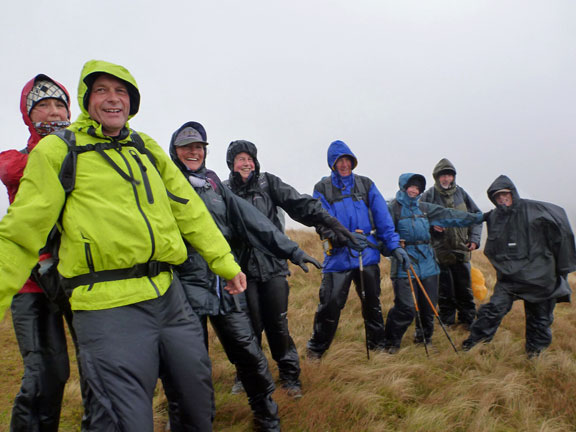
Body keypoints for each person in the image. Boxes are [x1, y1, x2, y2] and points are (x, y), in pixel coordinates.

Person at [0, 60, 246, 432]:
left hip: (168, 297)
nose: (113, 99)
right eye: (102, 91)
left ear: (132, 101)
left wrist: (224, 262)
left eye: (121, 92)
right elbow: (22, 232)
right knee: (124, 421)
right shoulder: (58, 150)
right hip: (105, 304)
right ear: (86, 100)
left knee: (197, 406)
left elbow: (189, 210)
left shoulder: (144, 146)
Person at [169, 122, 322, 431]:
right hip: (185, 289)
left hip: (226, 283)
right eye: (187, 148)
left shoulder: (212, 184)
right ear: (175, 152)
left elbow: (253, 220)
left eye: (199, 147)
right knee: (190, 364)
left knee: (251, 352)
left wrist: (290, 250)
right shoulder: (165, 184)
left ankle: (268, 419)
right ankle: (195, 421)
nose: (194, 152)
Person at [224, 139, 353, 398]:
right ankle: (246, 376)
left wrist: (329, 221)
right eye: (240, 159)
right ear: (231, 163)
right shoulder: (224, 190)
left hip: (273, 267)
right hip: (240, 271)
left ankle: (290, 376)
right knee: (247, 328)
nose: (246, 163)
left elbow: (300, 204)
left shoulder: (268, 183)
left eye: (249, 158)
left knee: (277, 325)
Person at [0, 74, 73, 431]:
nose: (53, 111)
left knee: (66, 371)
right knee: (43, 371)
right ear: (29, 115)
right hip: (32, 282)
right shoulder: (20, 160)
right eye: (43, 105)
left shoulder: (81, 152)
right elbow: (9, 169)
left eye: (60, 104)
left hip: (74, 276)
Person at [305, 140, 410, 359]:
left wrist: (393, 247)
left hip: (367, 255)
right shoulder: (322, 188)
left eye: (347, 160)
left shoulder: (366, 184)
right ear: (332, 164)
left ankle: (377, 346)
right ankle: (316, 351)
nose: (344, 164)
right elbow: (322, 223)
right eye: (339, 161)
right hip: (338, 258)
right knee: (330, 306)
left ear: (353, 161)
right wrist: (346, 238)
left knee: (372, 304)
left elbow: (383, 218)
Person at [462, 175, 576, 357]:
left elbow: (561, 225)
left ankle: (534, 355)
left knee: (539, 320)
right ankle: (473, 346)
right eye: (497, 196)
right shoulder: (495, 216)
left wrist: (563, 266)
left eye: (505, 194)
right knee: (492, 311)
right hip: (510, 280)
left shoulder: (535, 210)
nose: (502, 199)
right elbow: (471, 220)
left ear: (512, 193)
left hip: (539, 277)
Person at [383, 173, 483, 353]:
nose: (414, 190)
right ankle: (391, 341)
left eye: (417, 188)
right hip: (404, 262)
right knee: (405, 307)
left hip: (428, 262)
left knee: (428, 306)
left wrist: (477, 218)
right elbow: (384, 234)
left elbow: (449, 215)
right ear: (403, 187)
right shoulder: (393, 209)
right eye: (411, 186)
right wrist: (394, 248)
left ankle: (424, 338)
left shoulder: (425, 208)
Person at [420, 158, 482, 329]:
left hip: (462, 250)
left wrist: (475, 240)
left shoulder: (462, 194)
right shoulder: (429, 196)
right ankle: (447, 321)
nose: (446, 179)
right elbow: (418, 219)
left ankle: (468, 320)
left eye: (449, 175)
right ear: (437, 177)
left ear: (453, 177)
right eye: (443, 176)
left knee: (465, 289)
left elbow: (477, 217)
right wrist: (431, 225)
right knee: (444, 290)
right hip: (439, 252)